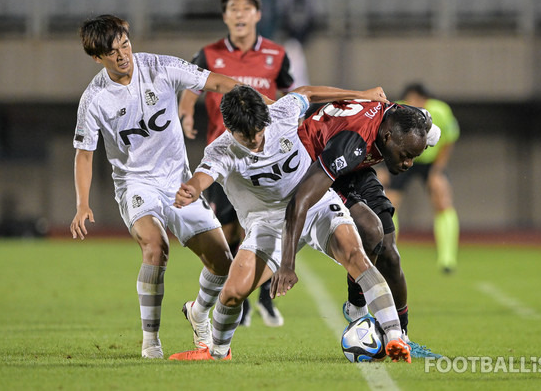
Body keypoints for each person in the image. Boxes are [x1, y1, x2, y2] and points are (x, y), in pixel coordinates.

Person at [169, 85, 411, 363]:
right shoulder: (221, 151)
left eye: (259, 131)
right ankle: (218, 353)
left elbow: (308, 93)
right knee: (233, 294)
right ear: (229, 128)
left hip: (316, 206)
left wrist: (361, 95)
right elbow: (202, 177)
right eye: (246, 137)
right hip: (268, 225)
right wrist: (191, 189)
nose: (256, 141)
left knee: (358, 257)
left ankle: (395, 337)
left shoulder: (281, 112)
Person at [70, 14, 247, 359]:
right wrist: (82, 203)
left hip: (178, 182)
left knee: (223, 261)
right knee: (156, 244)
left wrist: (253, 100)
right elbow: (84, 155)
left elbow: (213, 82)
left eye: (125, 44)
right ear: (97, 57)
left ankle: (197, 311)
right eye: (112, 51)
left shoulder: (160, 67)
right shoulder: (94, 100)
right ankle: (151, 341)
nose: (122, 54)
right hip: (135, 184)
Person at [271, 97, 444, 359]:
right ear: (386, 137)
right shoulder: (352, 142)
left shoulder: (408, 121)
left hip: (357, 167)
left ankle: (402, 338)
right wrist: (287, 263)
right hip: (316, 163)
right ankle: (356, 307)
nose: (408, 164)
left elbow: (428, 129)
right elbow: (300, 200)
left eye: (414, 156)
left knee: (389, 252)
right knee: (370, 230)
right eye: (406, 155)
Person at [178, 0, 294, 328]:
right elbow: (191, 85)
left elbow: (290, 93)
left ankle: (261, 299)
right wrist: (186, 113)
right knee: (227, 233)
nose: (240, 14)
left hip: (265, 156)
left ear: (258, 14)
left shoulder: (277, 54)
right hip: (224, 160)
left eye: (246, 8)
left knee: (260, 230)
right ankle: (237, 299)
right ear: (225, 17)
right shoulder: (209, 54)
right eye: (233, 9)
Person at [384, 83, 460, 274]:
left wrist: (437, 171)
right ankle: (389, 251)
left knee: (442, 199)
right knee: (389, 203)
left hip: (430, 162)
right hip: (404, 158)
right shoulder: (397, 110)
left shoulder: (441, 111)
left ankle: (447, 259)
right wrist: (386, 166)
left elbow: (449, 140)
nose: (414, 104)